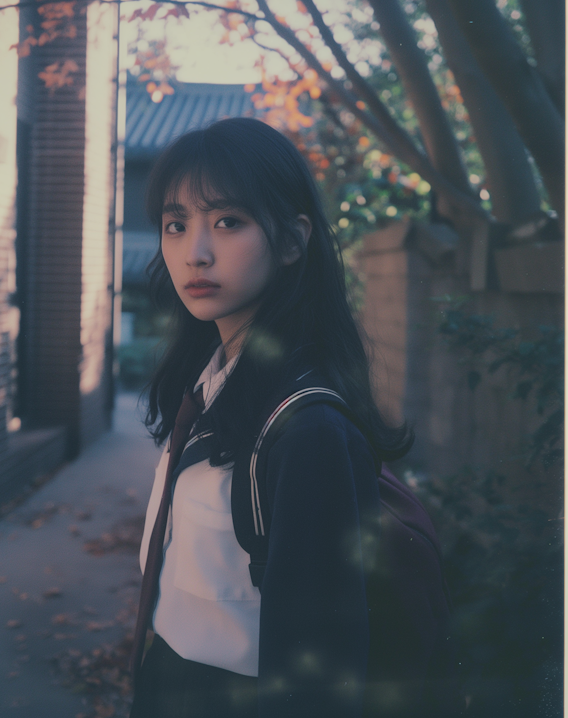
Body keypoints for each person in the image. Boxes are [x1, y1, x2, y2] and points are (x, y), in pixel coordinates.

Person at [130, 117, 413, 718]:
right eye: (176, 225)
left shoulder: (307, 427)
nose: (195, 252)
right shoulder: (206, 384)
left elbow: (318, 670)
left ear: (291, 242)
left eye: (228, 222)